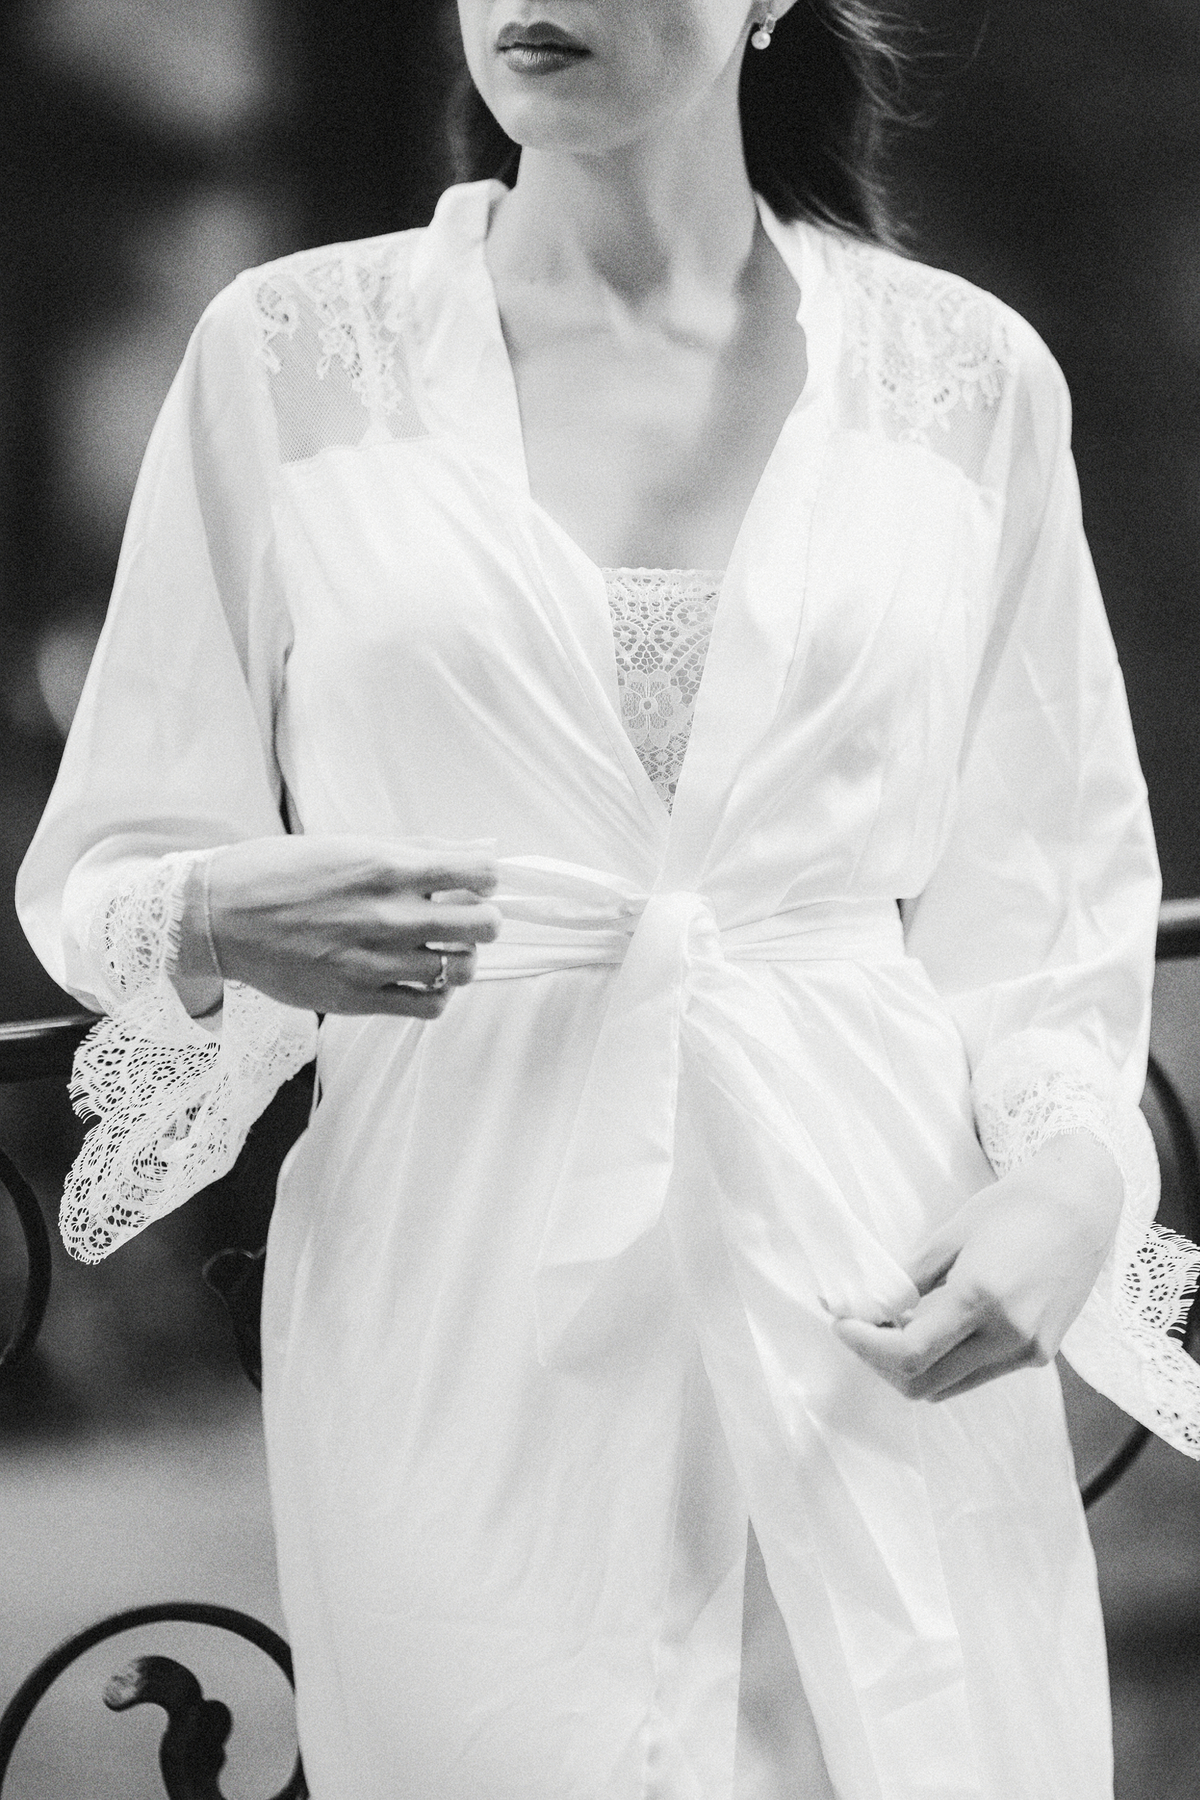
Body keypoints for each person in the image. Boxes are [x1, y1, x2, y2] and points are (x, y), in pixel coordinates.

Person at [16, 1, 1200, 1794]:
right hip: (454, 1279)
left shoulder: (967, 382)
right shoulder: (288, 358)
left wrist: (1071, 1181)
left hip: (873, 1274)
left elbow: (1055, 890)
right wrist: (216, 917)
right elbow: (113, 856)